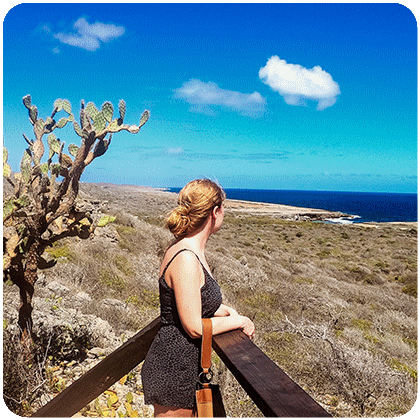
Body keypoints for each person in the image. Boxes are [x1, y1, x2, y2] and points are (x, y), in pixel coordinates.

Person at [141, 179, 255, 417]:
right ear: (215, 212)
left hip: (184, 366)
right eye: (223, 208)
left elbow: (193, 300)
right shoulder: (186, 258)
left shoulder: (192, 251)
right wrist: (240, 321)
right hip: (174, 370)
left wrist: (222, 310)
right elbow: (193, 326)